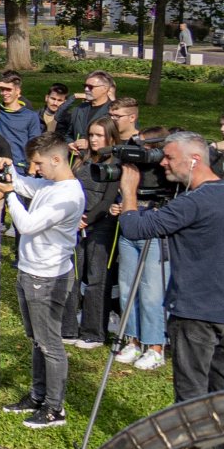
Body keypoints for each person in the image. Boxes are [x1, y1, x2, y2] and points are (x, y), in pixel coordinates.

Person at [120, 131, 224, 449]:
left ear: (193, 159)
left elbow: (135, 227)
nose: (163, 163)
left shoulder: (194, 202)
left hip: (196, 312)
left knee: (192, 398)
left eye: (168, 157)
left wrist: (130, 190)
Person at [0, 133, 87, 430]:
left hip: (47, 277)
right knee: (36, 341)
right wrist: (10, 174)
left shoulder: (68, 195)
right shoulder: (51, 184)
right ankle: (37, 395)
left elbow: (27, 224)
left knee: (50, 344)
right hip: (30, 272)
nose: (35, 169)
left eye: (39, 163)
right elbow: (23, 183)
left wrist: (8, 196)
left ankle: (54, 408)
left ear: (57, 159)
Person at [110, 101, 168, 372]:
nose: (139, 152)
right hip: (128, 231)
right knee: (127, 289)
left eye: (145, 147)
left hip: (153, 233)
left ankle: (155, 346)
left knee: (151, 292)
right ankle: (132, 341)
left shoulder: (164, 174)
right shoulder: (133, 169)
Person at [72, 117, 123, 351]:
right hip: (75, 222)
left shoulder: (116, 163)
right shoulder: (83, 160)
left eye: (99, 135)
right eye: (91, 134)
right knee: (73, 274)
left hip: (100, 224)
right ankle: (69, 326)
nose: (93, 139)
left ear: (111, 137)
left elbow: (108, 199)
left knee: (96, 278)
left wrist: (87, 219)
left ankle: (94, 331)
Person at [0, 70, 43, 165]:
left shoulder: (30, 115)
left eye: (8, 89)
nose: (4, 93)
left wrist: (32, 165)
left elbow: (34, 143)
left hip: (19, 164)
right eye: (2, 89)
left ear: (18, 91)